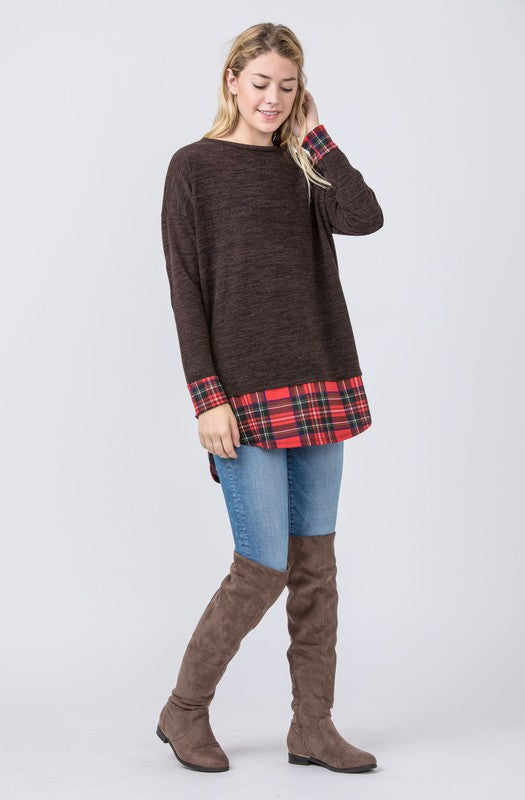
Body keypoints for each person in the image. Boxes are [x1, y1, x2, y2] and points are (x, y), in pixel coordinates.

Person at [156, 22, 384, 774]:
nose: (272, 99)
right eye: (260, 84)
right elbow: (186, 289)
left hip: (320, 380)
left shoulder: (303, 165)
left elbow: (364, 216)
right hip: (242, 396)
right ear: (232, 80)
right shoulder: (193, 168)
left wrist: (316, 139)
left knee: (315, 566)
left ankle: (311, 728)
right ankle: (184, 709)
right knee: (261, 566)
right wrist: (206, 398)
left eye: (287, 87)